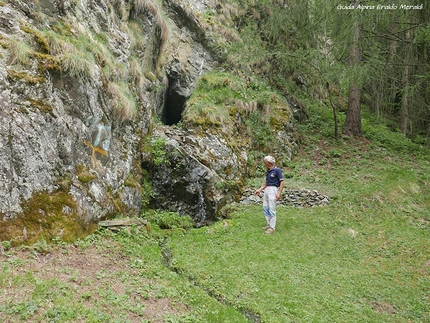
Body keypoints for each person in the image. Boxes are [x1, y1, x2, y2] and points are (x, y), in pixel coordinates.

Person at [254, 156, 284, 234]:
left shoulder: (277, 170)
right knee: (265, 208)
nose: (264, 163)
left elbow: (282, 182)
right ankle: (268, 224)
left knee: (271, 209)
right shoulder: (268, 171)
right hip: (267, 189)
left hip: (273, 189)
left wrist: (279, 193)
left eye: (265, 162)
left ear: (269, 162)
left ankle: (272, 228)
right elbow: (266, 183)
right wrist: (259, 190)